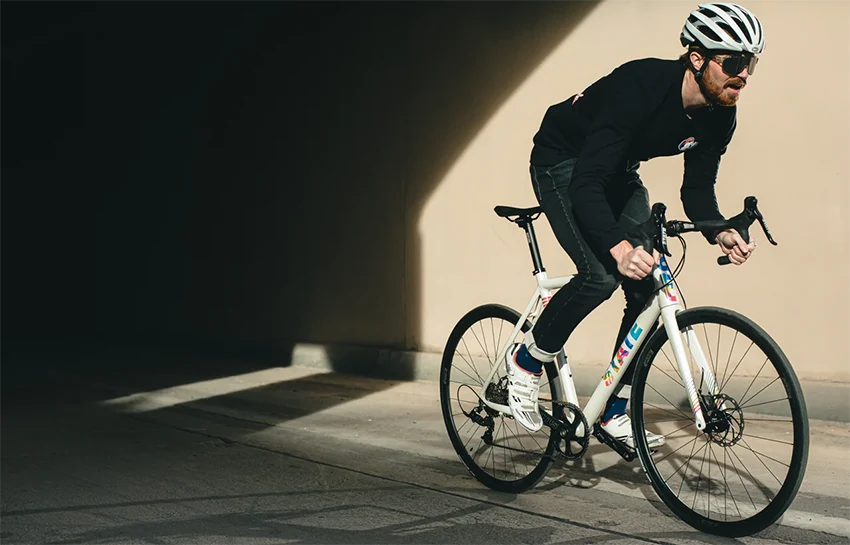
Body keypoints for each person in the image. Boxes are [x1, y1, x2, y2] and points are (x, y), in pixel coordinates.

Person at [506, 3, 762, 447]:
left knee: (648, 286)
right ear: (696, 58)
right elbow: (586, 182)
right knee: (600, 274)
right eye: (734, 62)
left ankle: (614, 411)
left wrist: (719, 230)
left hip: (615, 169)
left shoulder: (720, 115)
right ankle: (528, 360)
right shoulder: (640, 85)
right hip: (564, 161)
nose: (744, 74)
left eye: (751, 63)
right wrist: (618, 247)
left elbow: (697, 190)